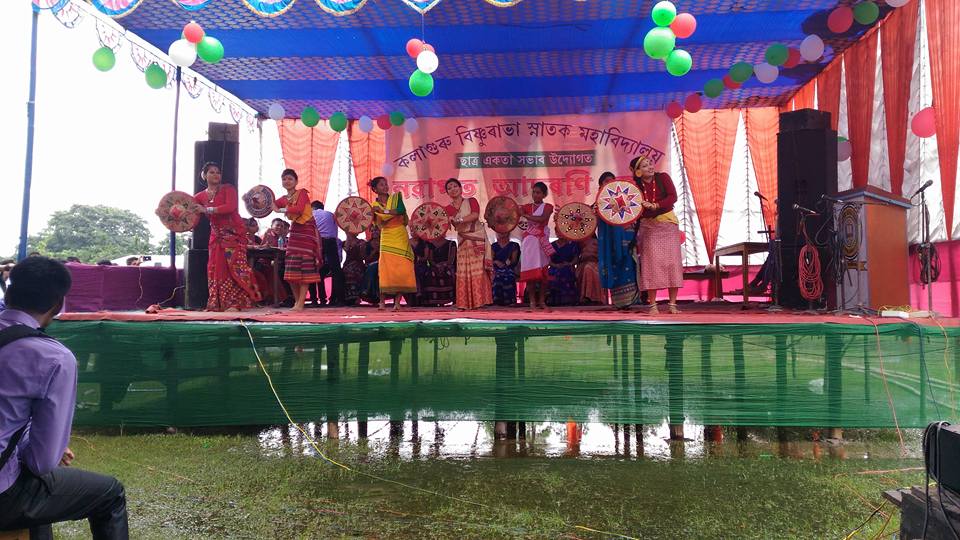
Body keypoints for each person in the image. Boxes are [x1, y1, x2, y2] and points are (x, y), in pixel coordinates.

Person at [0, 257, 128, 538]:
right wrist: (46, 447)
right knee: (110, 494)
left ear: (8, 293)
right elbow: (42, 462)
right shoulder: (54, 357)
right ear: (58, 305)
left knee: (37, 488)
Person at [194, 162, 262, 312]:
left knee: (235, 267)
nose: (216, 174)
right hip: (216, 236)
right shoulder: (199, 196)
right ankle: (217, 303)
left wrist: (207, 209)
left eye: (218, 172)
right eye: (212, 172)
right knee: (215, 268)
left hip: (234, 235)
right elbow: (187, 211)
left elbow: (230, 207)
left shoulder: (228, 189)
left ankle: (236, 303)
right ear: (204, 175)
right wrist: (166, 213)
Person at [632, 156, 683, 314]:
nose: (650, 167)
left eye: (650, 164)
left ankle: (672, 304)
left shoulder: (663, 178)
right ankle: (652, 305)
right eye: (645, 166)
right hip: (648, 227)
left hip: (667, 225)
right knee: (650, 265)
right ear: (638, 172)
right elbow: (632, 208)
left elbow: (673, 197)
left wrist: (656, 205)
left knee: (672, 263)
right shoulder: (635, 188)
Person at [273, 169, 323, 311]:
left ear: (296, 181)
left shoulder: (301, 193)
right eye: (284, 179)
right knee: (291, 266)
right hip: (295, 231)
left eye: (290, 179)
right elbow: (271, 204)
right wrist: (255, 200)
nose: (287, 181)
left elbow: (299, 209)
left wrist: (280, 210)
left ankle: (300, 303)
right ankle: (297, 302)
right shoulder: (284, 198)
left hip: (306, 230)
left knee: (305, 266)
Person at [369, 177, 416, 311]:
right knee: (386, 269)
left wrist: (383, 212)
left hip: (400, 235)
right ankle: (382, 302)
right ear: (375, 189)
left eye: (386, 184)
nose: (385, 186)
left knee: (402, 267)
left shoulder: (396, 198)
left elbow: (400, 211)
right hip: (386, 237)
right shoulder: (374, 206)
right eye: (381, 185)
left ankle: (397, 302)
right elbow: (373, 221)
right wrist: (374, 214)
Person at [444, 178, 492, 309]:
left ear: (460, 188)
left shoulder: (471, 201)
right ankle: (465, 302)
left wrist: (459, 219)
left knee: (478, 271)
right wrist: (449, 221)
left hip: (477, 239)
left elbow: (475, 215)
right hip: (463, 241)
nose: (453, 189)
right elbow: (445, 224)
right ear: (447, 193)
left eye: (455, 186)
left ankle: (480, 301)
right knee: (464, 271)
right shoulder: (447, 209)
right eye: (449, 188)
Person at [596, 171, 639, 309]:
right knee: (614, 266)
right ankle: (619, 302)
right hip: (609, 243)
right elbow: (589, 220)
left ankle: (631, 300)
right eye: (606, 181)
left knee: (629, 265)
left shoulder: (625, 197)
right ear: (600, 186)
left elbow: (634, 214)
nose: (610, 183)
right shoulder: (598, 203)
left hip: (627, 238)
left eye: (612, 180)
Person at [518, 182, 554, 311]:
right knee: (530, 273)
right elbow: (514, 214)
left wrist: (525, 215)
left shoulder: (548, 207)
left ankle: (542, 301)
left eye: (538, 192)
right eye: (534, 192)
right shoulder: (526, 207)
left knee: (543, 273)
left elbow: (542, 219)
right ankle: (532, 302)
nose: (535, 195)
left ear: (544, 194)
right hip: (529, 243)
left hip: (542, 241)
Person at [310, 201, 345, 307]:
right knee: (336, 271)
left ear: (312, 208)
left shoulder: (310, 215)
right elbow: (335, 230)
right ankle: (337, 299)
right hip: (330, 242)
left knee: (313, 270)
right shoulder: (330, 214)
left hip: (315, 242)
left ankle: (315, 300)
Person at [418, 235, 457, 307]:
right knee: (430, 274)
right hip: (435, 266)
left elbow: (452, 258)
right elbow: (430, 259)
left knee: (451, 274)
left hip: (448, 265)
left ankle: (454, 299)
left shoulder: (451, 243)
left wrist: (444, 264)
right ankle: (432, 301)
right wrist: (436, 265)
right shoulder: (431, 244)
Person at [547, 237, 580, 306]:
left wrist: (569, 263)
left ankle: (567, 300)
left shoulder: (572, 245)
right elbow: (548, 260)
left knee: (565, 272)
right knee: (554, 273)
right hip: (554, 266)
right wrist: (555, 265)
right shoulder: (552, 245)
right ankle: (553, 300)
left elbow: (576, 259)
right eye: (558, 232)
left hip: (567, 266)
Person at [490, 231, 519, 306]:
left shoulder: (514, 245)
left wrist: (508, 263)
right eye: (499, 232)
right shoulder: (494, 246)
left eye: (503, 232)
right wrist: (496, 262)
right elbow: (490, 260)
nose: (501, 234)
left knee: (508, 276)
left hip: (509, 268)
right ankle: (496, 300)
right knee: (497, 276)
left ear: (508, 233)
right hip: (496, 268)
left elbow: (514, 261)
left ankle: (510, 301)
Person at [577, 232, 603, 304]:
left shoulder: (597, 242)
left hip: (596, 263)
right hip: (583, 263)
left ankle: (592, 297)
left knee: (589, 269)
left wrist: (593, 257)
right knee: (585, 269)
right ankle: (584, 297)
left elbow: (601, 255)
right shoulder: (580, 242)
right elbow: (578, 256)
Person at [341, 231, 367, 306]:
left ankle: (356, 297)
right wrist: (348, 239)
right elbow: (345, 250)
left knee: (352, 270)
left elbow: (363, 257)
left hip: (358, 264)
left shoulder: (361, 242)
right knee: (344, 271)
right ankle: (348, 297)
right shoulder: (345, 243)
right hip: (347, 264)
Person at [360, 227, 381, 305]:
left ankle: (366, 289)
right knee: (372, 267)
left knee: (374, 267)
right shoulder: (367, 244)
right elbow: (366, 259)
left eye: (376, 230)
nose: (374, 232)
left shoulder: (384, 243)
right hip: (371, 264)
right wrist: (374, 252)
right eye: (372, 231)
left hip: (383, 263)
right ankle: (371, 294)